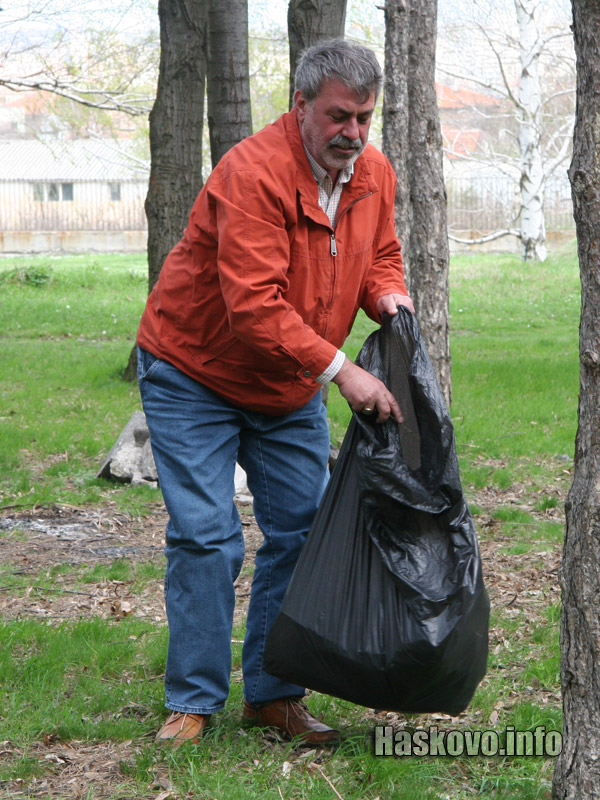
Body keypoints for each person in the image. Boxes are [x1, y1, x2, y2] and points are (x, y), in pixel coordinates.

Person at [137, 37, 414, 747]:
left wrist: (389, 299)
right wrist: (344, 371)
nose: (353, 133)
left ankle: (273, 694)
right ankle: (193, 703)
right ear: (301, 107)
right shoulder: (252, 173)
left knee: (301, 532)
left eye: (364, 117)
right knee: (207, 537)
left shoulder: (371, 173)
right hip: (194, 373)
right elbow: (255, 307)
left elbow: (380, 254)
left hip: (287, 382)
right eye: (339, 117)